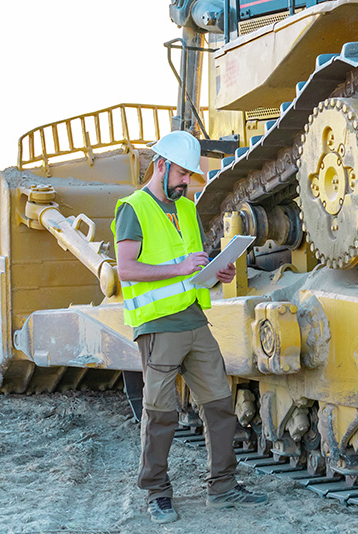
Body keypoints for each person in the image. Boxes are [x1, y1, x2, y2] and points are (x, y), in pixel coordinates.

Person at [113, 130, 267, 524]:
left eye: (189, 175)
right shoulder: (133, 208)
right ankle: (157, 493)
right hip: (158, 327)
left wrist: (217, 271)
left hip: (195, 322)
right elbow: (126, 268)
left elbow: (192, 268)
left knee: (220, 406)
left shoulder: (185, 209)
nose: (186, 181)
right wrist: (178, 269)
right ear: (161, 165)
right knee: (160, 413)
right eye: (182, 173)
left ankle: (223, 487)